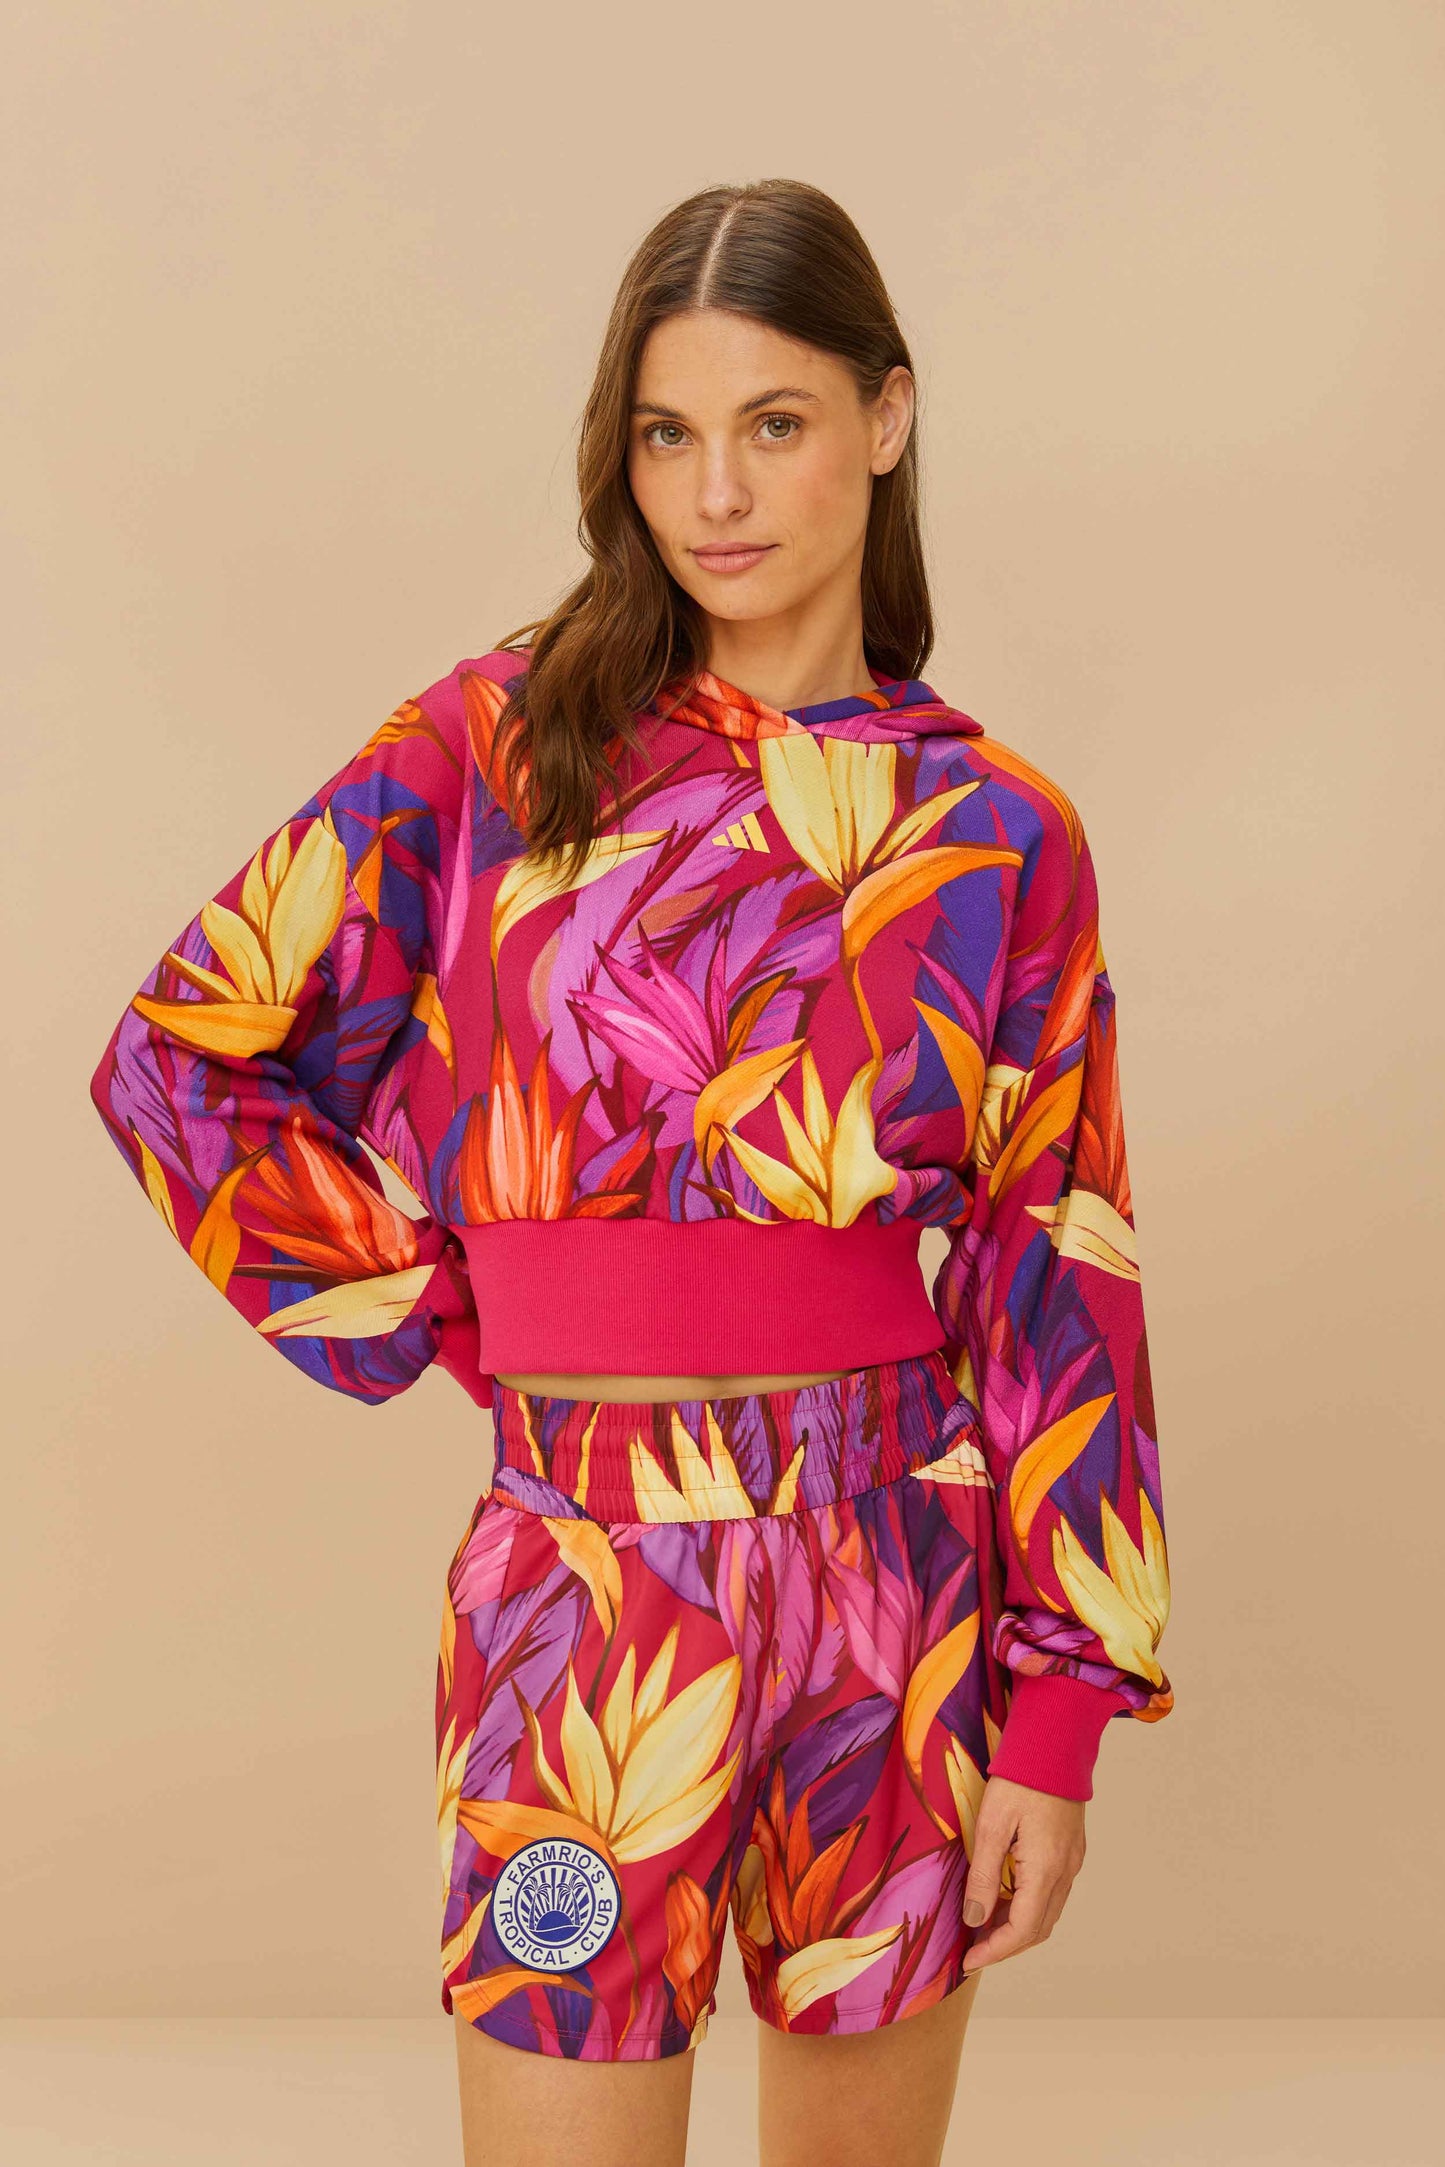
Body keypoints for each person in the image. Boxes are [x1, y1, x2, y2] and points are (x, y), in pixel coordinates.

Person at [89, 177, 1173, 2167]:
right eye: (668, 433)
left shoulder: (999, 831)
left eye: (775, 422)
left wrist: (1058, 1720)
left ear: (887, 417)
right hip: (583, 1581)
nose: (716, 492)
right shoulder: (499, 746)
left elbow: (1058, 1264)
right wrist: (458, 1313)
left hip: (895, 1578)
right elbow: (185, 1055)